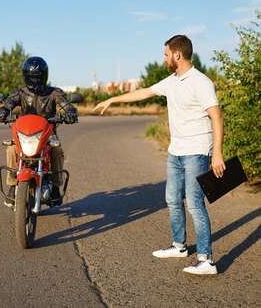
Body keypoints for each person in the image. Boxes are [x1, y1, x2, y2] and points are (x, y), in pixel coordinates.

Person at [94, 35, 226, 275]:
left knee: (195, 204)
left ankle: (206, 260)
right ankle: (179, 246)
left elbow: (216, 116)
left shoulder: (200, 82)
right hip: (175, 151)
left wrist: (217, 153)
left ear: (177, 54)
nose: (164, 58)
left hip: (197, 151)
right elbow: (143, 93)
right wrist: (113, 99)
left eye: (166, 54)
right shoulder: (173, 81)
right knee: (172, 199)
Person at [0, 56, 78, 208]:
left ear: (44, 76)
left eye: (38, 77)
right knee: (11, 149)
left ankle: (55, 186)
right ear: (26, 76)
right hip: (24, 132)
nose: (34, 81)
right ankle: (13, 185)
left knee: (57, 150)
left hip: (47, 133)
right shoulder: (20, 92)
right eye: (31, 77)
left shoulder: (54, 93)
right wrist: (3, 110)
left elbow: (65, 104)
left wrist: (71, 112)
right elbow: (8, 103)